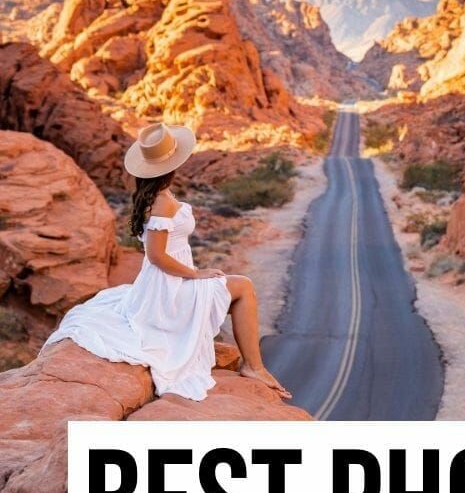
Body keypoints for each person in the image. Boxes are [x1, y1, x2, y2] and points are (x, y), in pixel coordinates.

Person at [41, 122, 290, 402]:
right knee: (243, 287)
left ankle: (253, 365)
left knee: (237, 288)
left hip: (165, 283)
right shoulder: (162, 202)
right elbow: (157, 256)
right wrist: (196, 274)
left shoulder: (155, 195)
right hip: (168, 291)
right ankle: (254, 366)